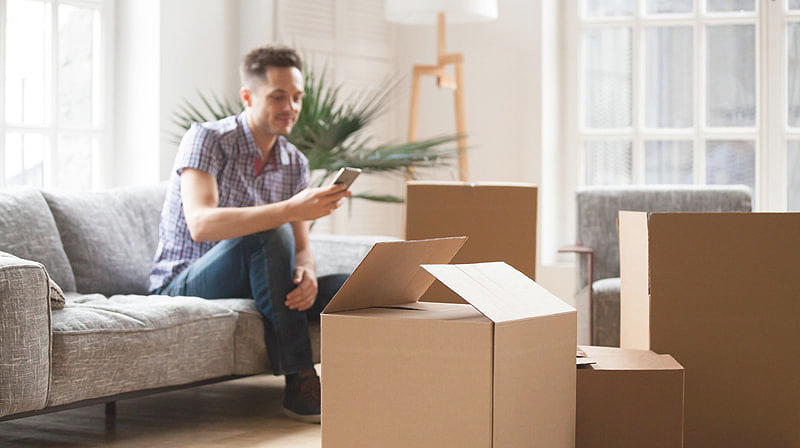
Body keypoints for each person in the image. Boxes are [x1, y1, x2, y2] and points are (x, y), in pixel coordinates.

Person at [149, 45, 351, 423]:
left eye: (296, 97)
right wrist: (291, 209)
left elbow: (302, 248)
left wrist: (305, 272)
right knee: (269, 232)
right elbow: (201, 223)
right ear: (248, 97)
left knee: (356, 285)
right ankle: (299, 376)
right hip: (185, 279)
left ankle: (380, 380)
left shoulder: (295, 162)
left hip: (261, 278)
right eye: (278, 96)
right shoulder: (208, 139)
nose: (290, 106)